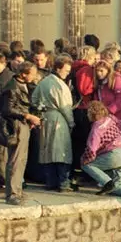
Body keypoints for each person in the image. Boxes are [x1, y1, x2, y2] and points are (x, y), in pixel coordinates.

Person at [80, 101, 121, 213]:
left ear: (91, 114)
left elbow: (91, 149)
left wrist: (85, 159)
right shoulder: (111, 118)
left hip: (114, 155)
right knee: (116, 188)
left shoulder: (96, 127)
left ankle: (107, 182)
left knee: (86, 165)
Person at [32, 55, 76, 192]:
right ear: (58, 68)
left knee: (48, 151)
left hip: (46, 117)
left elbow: (34, 99)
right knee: (61, 151)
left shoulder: (44, 82)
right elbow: (65, 107)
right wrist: (71, 123)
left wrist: (40, 110)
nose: (67, 73)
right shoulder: (59, 85)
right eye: (66, 70)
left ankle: (50, 181)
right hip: (59, 118)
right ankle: (63, 182)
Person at [1, 62, 41, 205]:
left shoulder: (25, 85)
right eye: (32, 73)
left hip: (23, 124)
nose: (35, 76)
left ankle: (17, 190)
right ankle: (12, 193)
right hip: (16, 124)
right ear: (23, 74)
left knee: (22, 159)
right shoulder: (12, 87)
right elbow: (8, 109)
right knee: (15, 159)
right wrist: (28, 116)